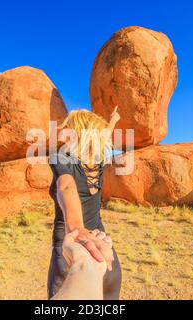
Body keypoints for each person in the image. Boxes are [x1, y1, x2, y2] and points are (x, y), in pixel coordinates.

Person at [47, 107, 122, 300]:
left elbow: (66, 187)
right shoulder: (98, 160)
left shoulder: (61, 157)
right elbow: (103, 137)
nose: (62, 133)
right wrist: (113, 120)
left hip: (69, 251)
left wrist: (78, 229)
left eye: (68, 127)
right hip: (103, 249)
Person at [51, 229, 109, 300]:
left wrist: (83, 262)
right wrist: (84, 262)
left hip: (92, 245)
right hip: (97, 247)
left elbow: (75, 227)